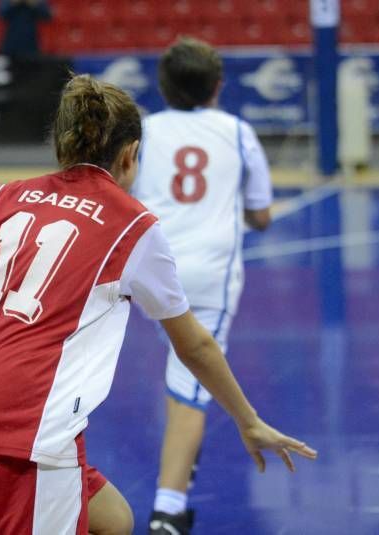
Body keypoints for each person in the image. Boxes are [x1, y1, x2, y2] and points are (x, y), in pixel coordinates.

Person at [0, 74, 316, 534]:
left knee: (113, 520)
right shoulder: (133, 226)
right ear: (131, 155)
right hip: (24, 437)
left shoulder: (1, 197)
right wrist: (247, 419)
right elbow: (196, 346)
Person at [130, 37, 274, 535]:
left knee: (179, 361)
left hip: (149, 267)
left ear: (163, 87)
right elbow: (261, 215)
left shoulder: (143, 131)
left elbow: (121, 190)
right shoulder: (237, 131)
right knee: (190, 386)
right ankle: (168, 509)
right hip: (210, 274)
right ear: (218, 87)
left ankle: (180, 456)